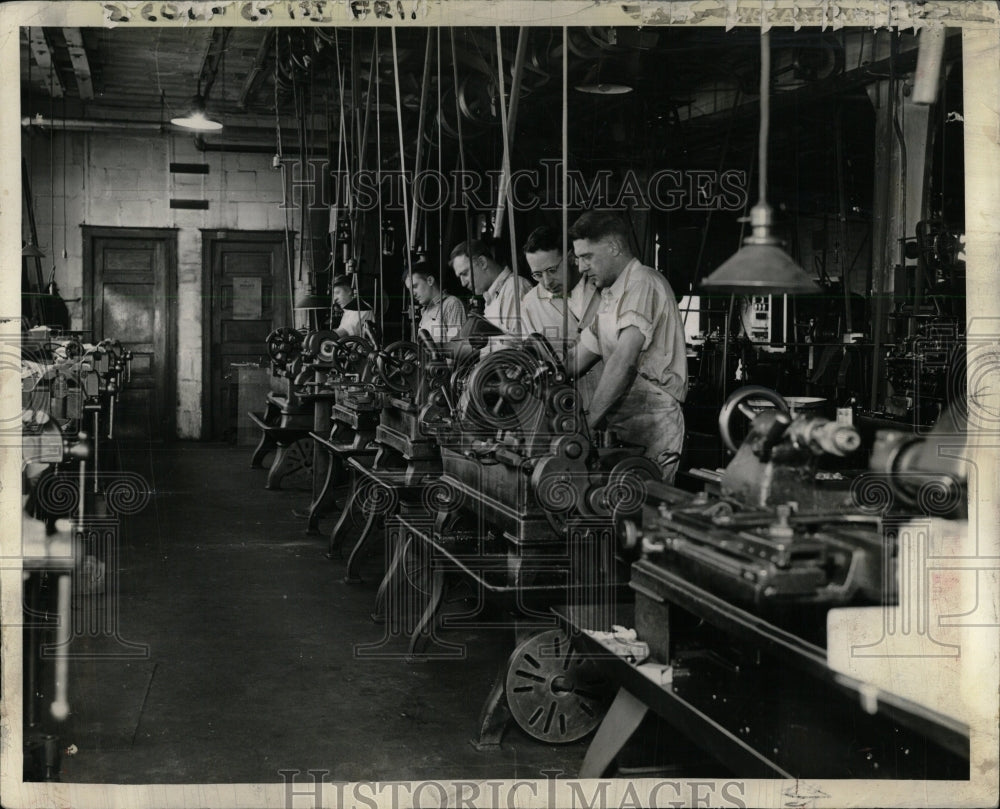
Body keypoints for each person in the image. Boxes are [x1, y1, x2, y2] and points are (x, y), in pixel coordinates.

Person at [567, 211, 688, 483]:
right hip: (623, 419)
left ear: (614, 247)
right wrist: (536, 365)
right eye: (578, 259)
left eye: (587, 257)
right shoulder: (611, 295)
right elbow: (575, 359)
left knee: (644, 510)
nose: (581, 267)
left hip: (652, 421)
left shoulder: (643, 282)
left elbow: (624, 361)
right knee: (617, 507)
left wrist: (586, 423)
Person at [520, 225, 602, 408]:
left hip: (613, 402)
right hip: (566, 407)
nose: (547, 282)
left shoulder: (601, 285)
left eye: (552, 270)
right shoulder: (531, 303)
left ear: (572, 258)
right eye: (537, 274)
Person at [449, 238, 531, 338]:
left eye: (465, 273)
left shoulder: (515, 288)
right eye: (460, 277)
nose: (463, 283)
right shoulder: (492, 297)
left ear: (482, 262)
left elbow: (520, 346)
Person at [405, 261, 467, 343]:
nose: (413, 293)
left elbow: (456, 346)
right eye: (410, 290)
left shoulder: (451, 304)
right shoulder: (425, 312)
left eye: (415, 286)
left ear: (430, 280)